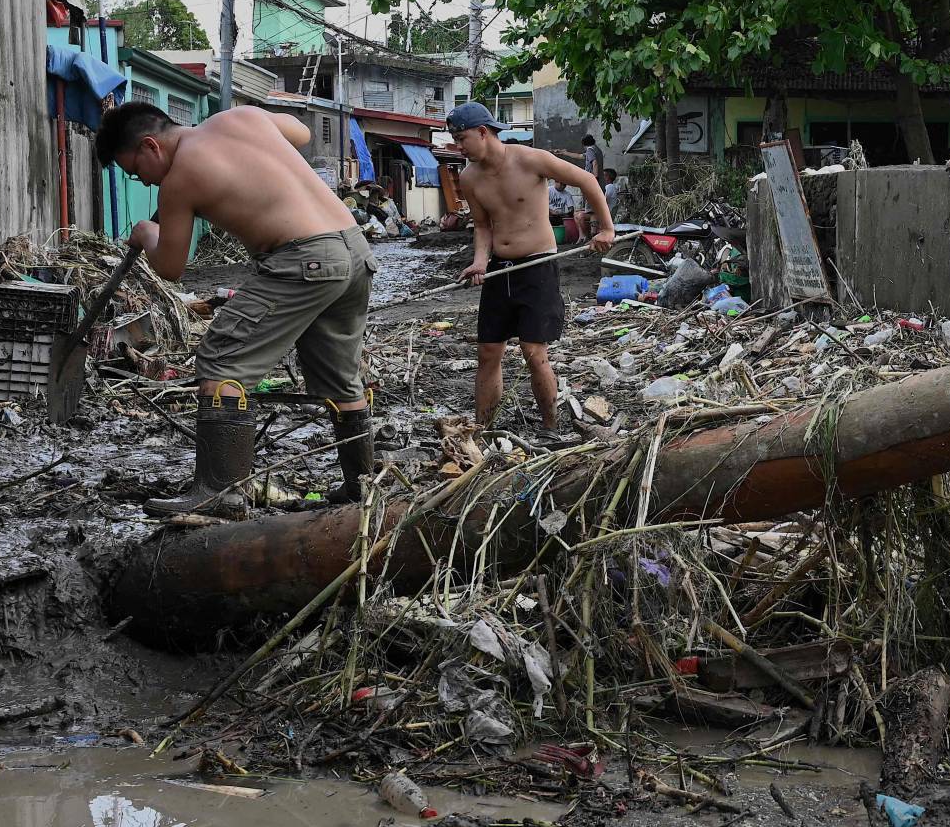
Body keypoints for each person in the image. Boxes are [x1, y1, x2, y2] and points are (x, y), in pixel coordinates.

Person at [96, 102, 379, 517]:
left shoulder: (179, 180)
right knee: (341, 379)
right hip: (353, 251)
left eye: (136, 172)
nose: (143, 181)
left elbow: (170, 268)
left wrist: (147, 232)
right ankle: (362, 488)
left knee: (221, 360)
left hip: (302, 260)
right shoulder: (241, 117)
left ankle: (219, 495)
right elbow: (299, 132)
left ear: (151, 146)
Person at [449, 102, 614, 428]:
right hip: (499, 268)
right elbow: (482, 226)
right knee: (488, 351)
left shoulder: (529, 159)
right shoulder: (469, 178)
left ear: (483, 132)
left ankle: (551, 426)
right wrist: (480, 261)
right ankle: (483, 428)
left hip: (537, 266)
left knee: (533, 351)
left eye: (461, 138)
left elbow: (587, 181)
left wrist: (606, 228)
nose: (458, 146)